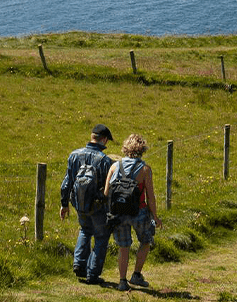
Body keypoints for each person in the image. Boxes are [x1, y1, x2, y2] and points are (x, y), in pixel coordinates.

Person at [103, 133, 162, 291]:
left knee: (124, 246)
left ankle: (122, 281)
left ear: (125, 148)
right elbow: (151, 197)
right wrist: (154, 216)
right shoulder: (145, 169)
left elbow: (106, 192)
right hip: (139, 212)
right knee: (146, 241)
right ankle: (136, 274)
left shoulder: (114, 166)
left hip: (118, 213)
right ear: (142, 149)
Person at [59, 124, 116, 285]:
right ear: (104, 140)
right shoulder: (106, 161)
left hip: (79, 203)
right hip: (98, 206)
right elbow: (109, 188)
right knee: (101, 237)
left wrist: (64, 204)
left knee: (85, 230)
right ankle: (92, 274)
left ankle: (79, 264)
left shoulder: (74, 155)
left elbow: (66, 183)